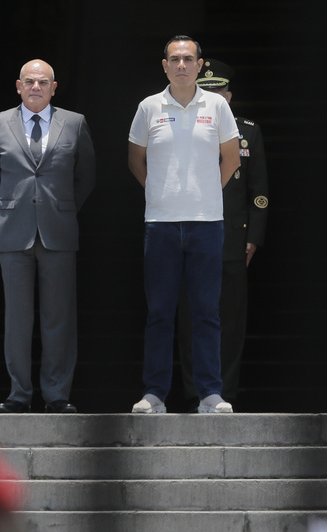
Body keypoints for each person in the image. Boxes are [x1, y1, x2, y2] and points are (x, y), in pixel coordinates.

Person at [127, 36, 241, 414]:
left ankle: (210, 393)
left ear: (199, 64)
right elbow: (136, 161)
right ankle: (154, 394)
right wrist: (162, 192)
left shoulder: (217, 108)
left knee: (206, 311)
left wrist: (204, 191)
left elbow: (231, 160)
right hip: (160, 224)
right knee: (160, 312)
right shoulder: (148, 107)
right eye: (174, 59)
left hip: (207, 223)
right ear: (164, 65)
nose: (180, 65)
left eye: (187, 59)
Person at [0, 59, 96, 414]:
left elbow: (86, 178)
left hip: (58, 232)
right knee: (17, 319)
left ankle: (56, 395)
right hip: (14, 234)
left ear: (53, 87)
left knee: (58, 318)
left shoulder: (74, 123)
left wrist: (59, 208)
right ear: (18, 86)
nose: (35, 87)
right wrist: (16, 208)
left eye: (42, 82)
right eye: (29, 82)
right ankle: (18, 395)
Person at [178, 58, 269, 410]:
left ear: (229, 97)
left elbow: (258, 191)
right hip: (190, 234)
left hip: (233, 238)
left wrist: (254, 236)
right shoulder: (182, 127)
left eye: (220, 91)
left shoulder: (248, 131)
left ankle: (224, 392)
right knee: (189, 319)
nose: (214, 97)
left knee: (229, 321)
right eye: (207, 90)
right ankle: (193, 391)